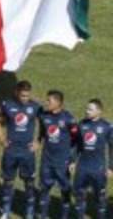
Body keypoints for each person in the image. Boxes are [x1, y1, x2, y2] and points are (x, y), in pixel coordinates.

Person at [0, 80, 39, 218]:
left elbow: (45, 123)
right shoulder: (7, 105)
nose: (25, 98)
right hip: (11, 151)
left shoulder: (35, 106)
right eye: (22, 95)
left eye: (27, 95)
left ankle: (29, 212)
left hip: (27, 151)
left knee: (29, 182)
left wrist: (38, 141)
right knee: (8, 181)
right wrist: (1, 139)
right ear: (16, 93)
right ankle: (6, 211)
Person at [38, 89, 77, 217]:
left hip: (62, 162)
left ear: (58, 102)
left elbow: (76, 141)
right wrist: (38, 140)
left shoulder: (68, 119)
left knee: (65, 190)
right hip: (47, 160)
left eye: (49, 101)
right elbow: (42, 132)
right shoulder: (44, 116)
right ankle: (43, 215)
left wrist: (72, 160)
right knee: (44, 189)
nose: (46, 102)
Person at [72, 98, 111, 219]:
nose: (87, 111)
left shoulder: (107, 126)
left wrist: (111, 167)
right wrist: (73, 160)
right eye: (87, 108)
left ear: (99, 111)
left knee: (100, 197)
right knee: (79, 195)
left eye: (90, 109)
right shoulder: (81, 124)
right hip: (82, 167)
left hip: (98, 169)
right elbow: (76, 145)